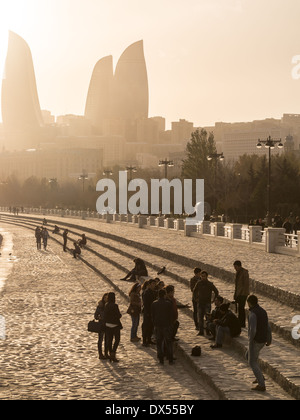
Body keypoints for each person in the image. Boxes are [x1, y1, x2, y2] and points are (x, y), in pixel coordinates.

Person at [246, 295, 272, 392]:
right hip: (262, 340)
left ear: (249, 302)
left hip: (256, 341)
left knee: (252, 361)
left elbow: (253, 330)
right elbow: (268, 327)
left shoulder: (252, 313)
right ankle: (259, 375)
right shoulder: (263, 311)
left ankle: (261, 384)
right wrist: (269, 339)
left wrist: (250, 340)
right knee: (247, 355)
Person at [151, 288, 174, 365]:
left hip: (158, 325)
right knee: (168, 342)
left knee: (159, 342)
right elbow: (171, 316)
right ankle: (170, 359)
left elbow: (153, 316)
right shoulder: (168, 304)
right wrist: (171, 324)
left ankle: (161, 359)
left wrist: (154, 324)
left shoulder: (154, 304)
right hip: (166, 325)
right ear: (164, 295)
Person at [193, 271, 219, 336]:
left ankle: (208, 331)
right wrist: (196, 298)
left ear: (206, 276)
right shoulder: (199, 283)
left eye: (204, 276)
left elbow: (216, 291)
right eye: (202, 276)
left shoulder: (210, 284)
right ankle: (201, 331)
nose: (203, 277)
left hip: (207, 303)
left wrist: (214, 299)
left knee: (208, 318)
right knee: (200, 317)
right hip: (200, 302)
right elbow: (194, 291)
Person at [103, 292, 122, 362]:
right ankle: (113, 353)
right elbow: (118, 315)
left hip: (108, 325)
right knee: (117, 339)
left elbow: (105, 315)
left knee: (109, 340)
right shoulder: (115, 305)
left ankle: (111, 353)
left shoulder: (106, 305)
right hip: (115, 325)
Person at [233, 260, 250, 328]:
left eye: (236, 267)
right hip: (239, 293)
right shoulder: (238, 272)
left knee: (241, 308)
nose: (235, 268)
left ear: (239, 266)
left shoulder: (244, 272)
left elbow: (245, 284)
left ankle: (242, 323)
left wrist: (240, 293)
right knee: (240, 308)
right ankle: (240, 322)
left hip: (243, 293)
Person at [142, 279, 157, 346]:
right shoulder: (146, 292)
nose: (154, 285)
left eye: (155, 284)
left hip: (152, 311)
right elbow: (146, 303)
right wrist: (148, 312)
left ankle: (149, 339)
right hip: (147, 312)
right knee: (146, 326)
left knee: (151, 326)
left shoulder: (153, 292)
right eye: (153, 284)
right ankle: (144, 341)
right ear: (149, 284)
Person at [94, 293, 109, 359]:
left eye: (107, 298)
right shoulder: (100, 305)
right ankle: (100, 354)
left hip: (108, 324)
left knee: (107, 339)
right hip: (101, 324)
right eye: (105, 298)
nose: (106, 299)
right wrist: (99, 318)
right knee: (100, 339)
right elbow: (95, 315)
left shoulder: (109, 305)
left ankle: (106, 353)